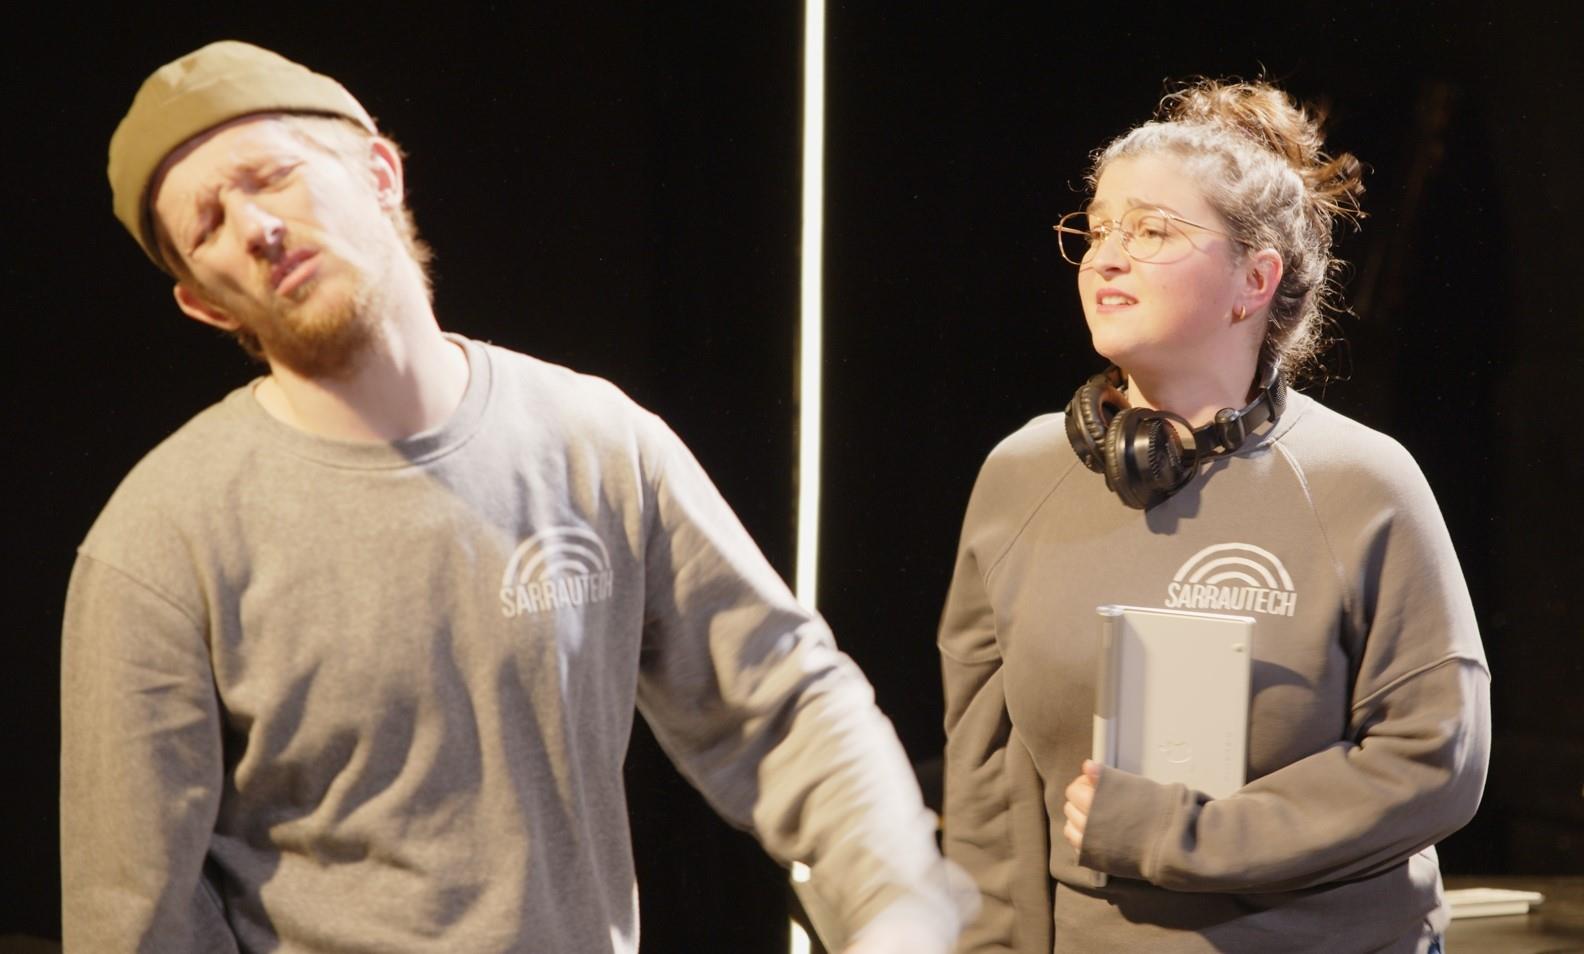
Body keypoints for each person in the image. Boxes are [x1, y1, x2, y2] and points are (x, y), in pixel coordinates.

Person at [63, 40, 974, 954]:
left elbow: (779, 703)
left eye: (272, 176)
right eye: (208, 225)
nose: (257, 226)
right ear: (205, 303)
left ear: (379, 173)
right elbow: (134, 917)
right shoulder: (162, 539)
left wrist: (898, 903)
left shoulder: (593, 443)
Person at [938, 79, 1489, 953]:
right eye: (1097, 229)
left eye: (1152, 231)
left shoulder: (1363, 483)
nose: (1106, 257)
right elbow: (986, 788)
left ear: (1254, 280)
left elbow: (1434, 759)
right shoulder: (1020, 476)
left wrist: (1180, 836)